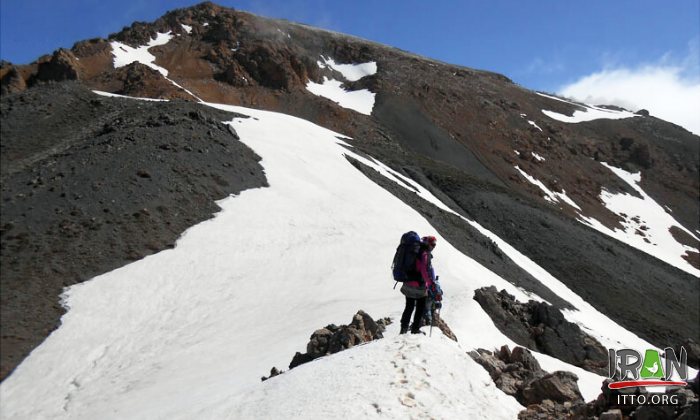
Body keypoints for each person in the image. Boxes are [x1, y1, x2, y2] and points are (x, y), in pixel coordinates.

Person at [400, 236, 437, 334]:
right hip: (418, 285)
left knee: (409, 306)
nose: (433, 247)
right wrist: (430, 284)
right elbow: (424, 271)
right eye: (433, 244)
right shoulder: (425, 253)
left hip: (408, 282)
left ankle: (403, 328)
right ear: (428, 243)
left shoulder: (415, 250)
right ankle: (415, 329)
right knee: (420, 307)